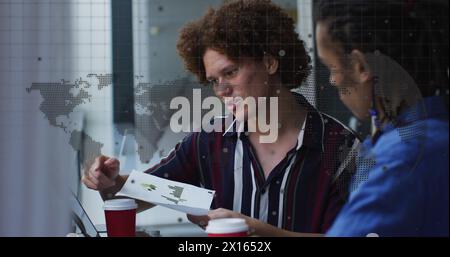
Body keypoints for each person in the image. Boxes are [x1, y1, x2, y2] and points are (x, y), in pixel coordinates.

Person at [83, 0, 358, 236]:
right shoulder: (209, 141)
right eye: (214, 80)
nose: (222, 90)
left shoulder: (342, 149)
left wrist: (256, 230)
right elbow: (150, 190)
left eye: (231, 72)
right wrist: (111, 180)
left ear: (270, 63)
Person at [314, 0, 449, 236]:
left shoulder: (402, 159)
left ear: (360, 67)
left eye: (331, 67)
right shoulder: (431, 135)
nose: (332, 81)